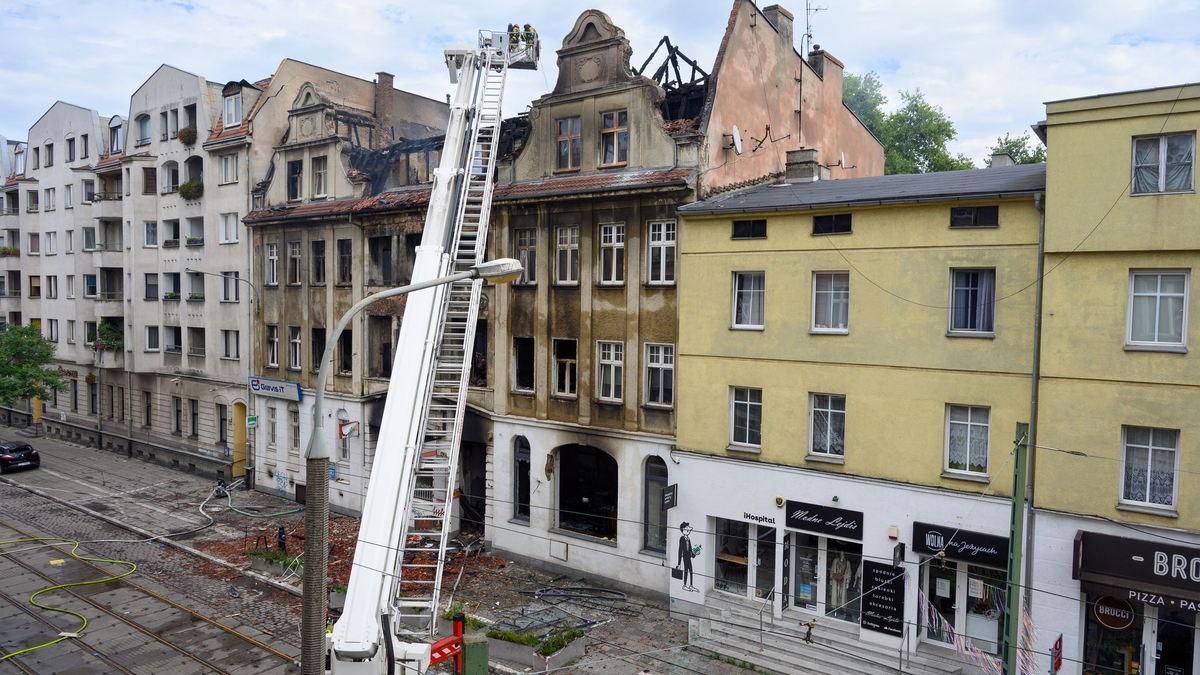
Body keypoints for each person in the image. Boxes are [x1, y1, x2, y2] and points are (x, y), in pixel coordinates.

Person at [677, 522, 699, 592]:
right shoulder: (682, 539)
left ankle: (691, 585)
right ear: (683, 530)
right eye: (687, 530)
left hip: (688, 557)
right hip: (685, 557)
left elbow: (690, 551)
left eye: (689, 530)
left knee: (691, 570)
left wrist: (695, 553)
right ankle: (685, 585)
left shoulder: (688, 539)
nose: (688, 531)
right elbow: (680, 551)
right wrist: (679, 563)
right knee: (686, 570)